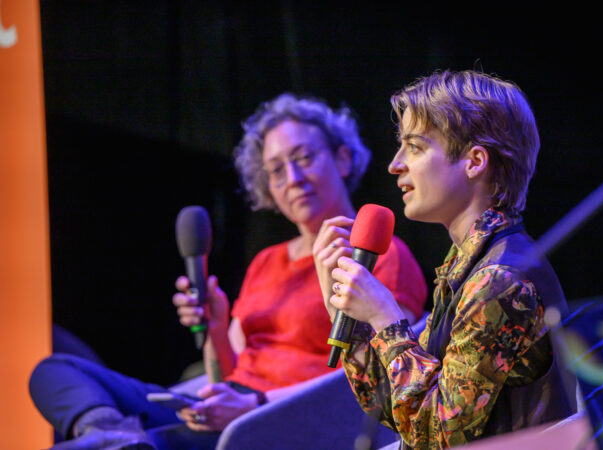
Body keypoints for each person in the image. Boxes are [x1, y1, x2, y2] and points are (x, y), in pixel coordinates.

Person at [29, 93, 428, 449]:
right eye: (275, 170)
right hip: (227, 408)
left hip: (283, 420)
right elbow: (228, 371)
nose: (293, 179)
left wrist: (255, 404)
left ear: (342, 158)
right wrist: (217, 328)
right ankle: (115, 437)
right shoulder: (267, 261)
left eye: (304, 158)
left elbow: (381, 371)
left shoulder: (379, 254)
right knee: (55, 369)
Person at [313, 70, 577, 448]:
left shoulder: (499, 280)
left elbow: (435, 436)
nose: (394, 164)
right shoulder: (466, 263)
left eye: (415, 147)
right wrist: (354, 326)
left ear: (474, 161)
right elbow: (400, 414)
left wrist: (386, 318)